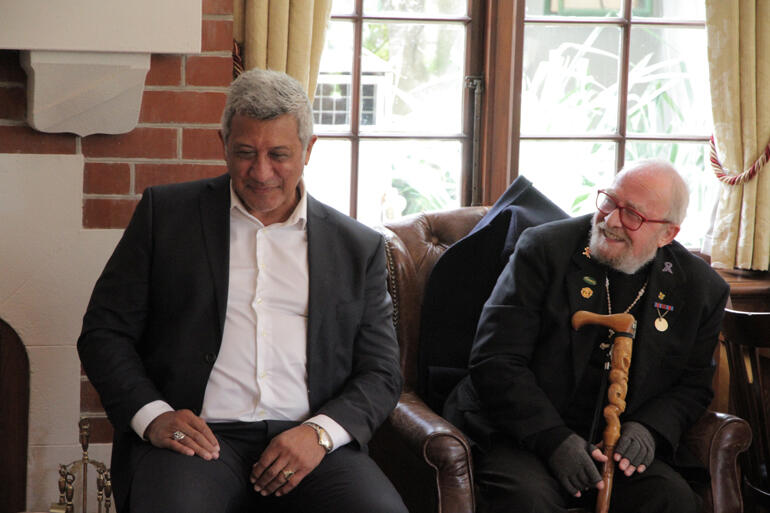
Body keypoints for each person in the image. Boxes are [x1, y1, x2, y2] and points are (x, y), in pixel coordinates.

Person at [77, 68, 407, 513]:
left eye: (279, 154)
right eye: (246, 152)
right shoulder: (165, 216)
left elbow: (382, 371)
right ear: (223, 144)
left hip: (310, 442)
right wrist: (154, 416)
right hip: (197, 439)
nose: (261, 172)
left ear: (309, 150)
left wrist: (321, 433)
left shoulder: (358, 247)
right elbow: (104, 333)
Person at [444, 160, 729, 513]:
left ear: (667, 234)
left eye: (633, 216)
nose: (610, 221)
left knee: (672, 500)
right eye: (610, 201)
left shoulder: (701, 289)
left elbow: (693, 384)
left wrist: (650, 430)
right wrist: (553, 440)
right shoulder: (544, 249)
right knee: (529, 500)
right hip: (521, 432)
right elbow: (495, 360)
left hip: (618, 444)